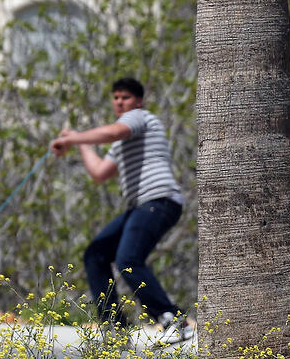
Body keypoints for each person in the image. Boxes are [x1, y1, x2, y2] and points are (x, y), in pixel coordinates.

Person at [51, 77, 193, 345]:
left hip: (160, 201)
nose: (119, 101)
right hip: (141, 206)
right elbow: (100, 173)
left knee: (128, 260)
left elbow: (114, 132)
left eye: (125, 97)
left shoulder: (141, 118)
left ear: (138, 101)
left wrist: (73, 138)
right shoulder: (122, 141)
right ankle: (114, 327)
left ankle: (174, 320)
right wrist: (81, 143)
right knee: (96, 254)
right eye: (115, 97)